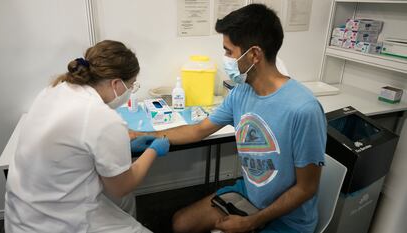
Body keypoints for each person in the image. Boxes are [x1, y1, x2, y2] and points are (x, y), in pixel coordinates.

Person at [131, 4, 326, 233]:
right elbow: (197, 130)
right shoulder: (241, 92)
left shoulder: (303, 109)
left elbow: (306, 188)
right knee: (181, 223)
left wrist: (251, 222)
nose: (225, 59)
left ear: (254, 55)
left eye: (229, 51)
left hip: (288, 219)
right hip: (250, 194)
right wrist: (144, 135)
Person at [4, 40, 169, 233]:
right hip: (58, 222)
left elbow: (74, 145)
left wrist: (125, 148)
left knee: (124, 206)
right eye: (131, 85)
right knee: (127, 205)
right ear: (116, 83)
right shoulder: (104, 119)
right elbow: (121, 187)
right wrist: (153, 151)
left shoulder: (56, 89)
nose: (130, 91)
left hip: (22, 212)